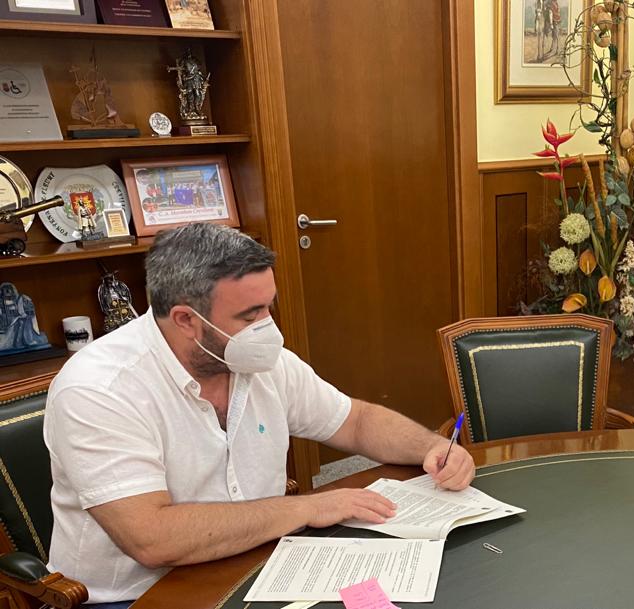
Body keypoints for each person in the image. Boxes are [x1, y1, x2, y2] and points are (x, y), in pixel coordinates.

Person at [43, 223, 475, 607]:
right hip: (138, 596)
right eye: (250, 315)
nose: (268, 328)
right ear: (186, 320)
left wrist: (432, 447)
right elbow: (152, 538)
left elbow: (355, 421)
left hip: (258, 565)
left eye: (269, 306)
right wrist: (307, 508)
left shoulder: (257, 360)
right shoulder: (100, 389)